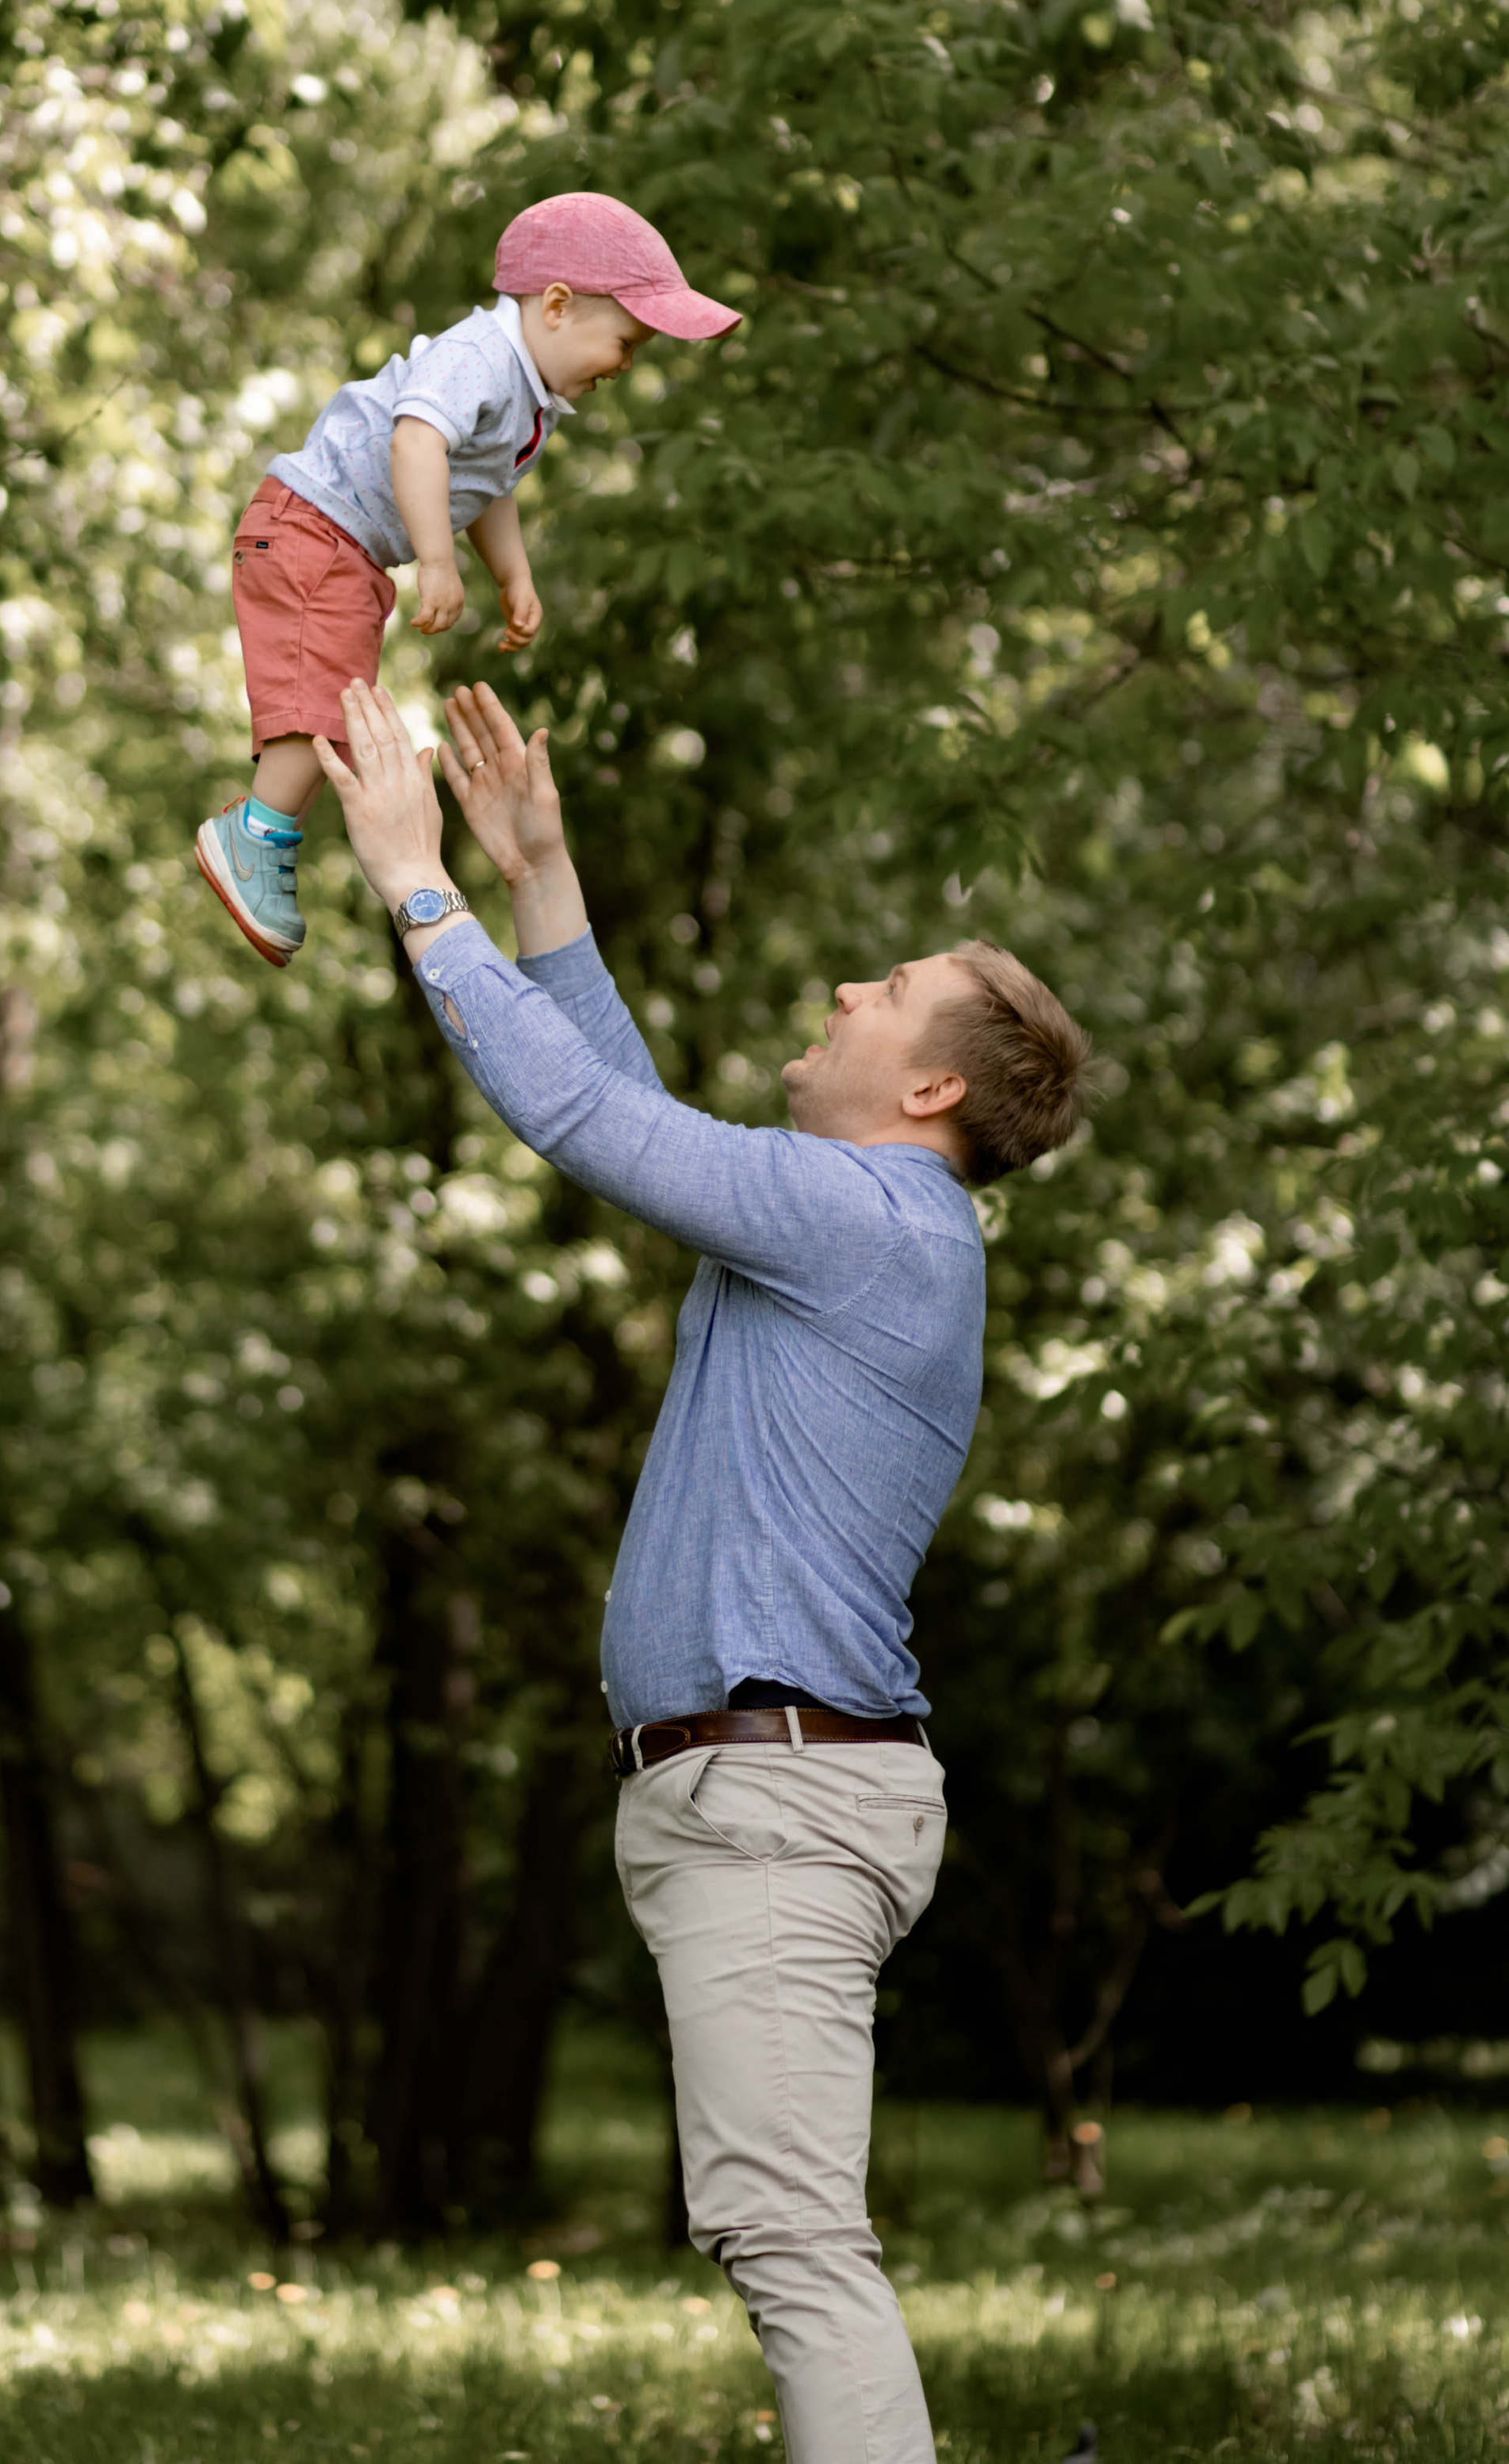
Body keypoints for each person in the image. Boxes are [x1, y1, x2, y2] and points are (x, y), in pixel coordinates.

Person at [312, 674, 1093, 2464]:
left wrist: (412, 880)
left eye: (881, 992)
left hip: (783, 1798)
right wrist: (539, 878)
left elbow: (590, 1129)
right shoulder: (848, 1227)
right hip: (769, 1792)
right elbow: (626, 1119)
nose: (841, 989)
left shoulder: (870, 1224)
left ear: (929, 1083)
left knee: (791, 2238)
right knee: (785, 2232)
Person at [194, 192, 739, 968]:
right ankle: (252, 835)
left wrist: (511, 574)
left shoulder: (528, 401)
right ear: (556, 306)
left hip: (338, 545)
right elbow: (418, 441)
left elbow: (483, 485)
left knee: (338, 710)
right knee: (320, 707)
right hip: (313, 529)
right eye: (624, 342)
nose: (625, 364)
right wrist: (438, 562)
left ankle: (264, 836)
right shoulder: (477, 356)